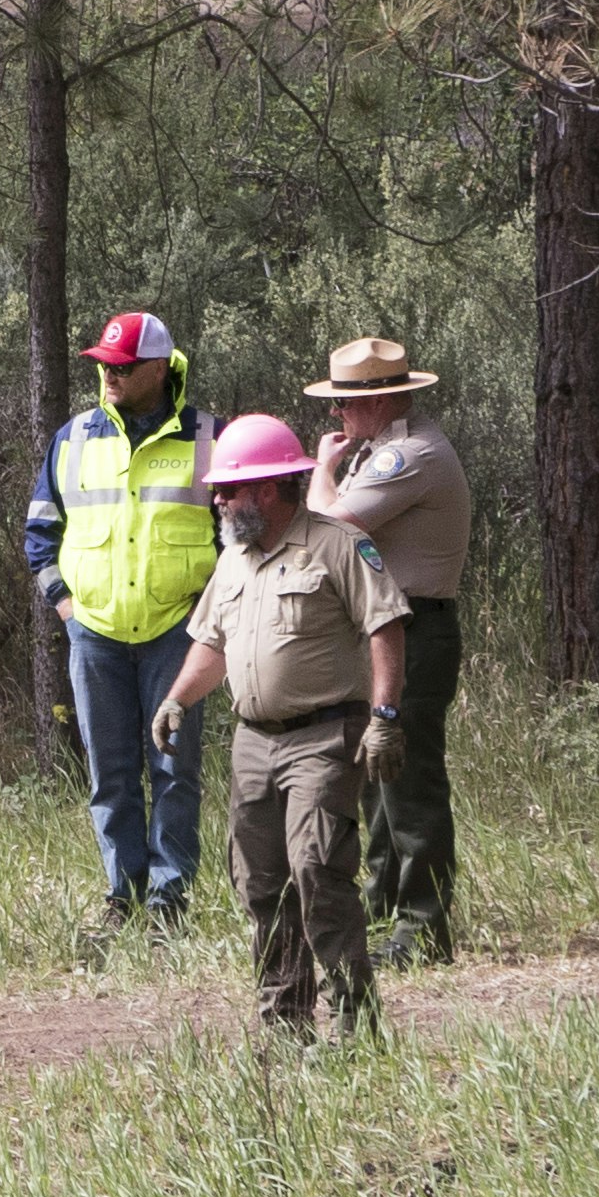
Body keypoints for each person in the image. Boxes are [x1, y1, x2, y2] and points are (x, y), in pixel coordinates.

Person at [148, 415, 410, 1034]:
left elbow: (386, 627)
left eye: (228, 490)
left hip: (325, 735)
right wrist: (177, 700)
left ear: (266, 489)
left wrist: (385, 717)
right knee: (261, 883)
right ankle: (283, 1021)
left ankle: (354, 1018)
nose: (217, 499)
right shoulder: (235, 559)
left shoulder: (339, 545)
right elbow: (212, 643)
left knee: (317, 868)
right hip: (253, 743)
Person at [22, 312, 216, 944]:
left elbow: (240, 541)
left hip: (177, 636)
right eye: (103, 364)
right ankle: (122, 894)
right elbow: (39, 534)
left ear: (159, 369)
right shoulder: (73, 438)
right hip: (95, 636)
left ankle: (170, 899)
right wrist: (67, 611)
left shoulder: (210, 439)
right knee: (109, 773)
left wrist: (208, 620)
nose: (108, 375)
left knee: (173, 769)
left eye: (123, 367)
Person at [304, 336, 473, 966]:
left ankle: (423, 929)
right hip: (391, 630)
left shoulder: (410, 456)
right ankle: (383, 907)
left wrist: (321, 471)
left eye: (345, 402)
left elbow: (329, 529)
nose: (336, 415)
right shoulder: (382, 451)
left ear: (381, 399)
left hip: (416, 632)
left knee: (410, 784)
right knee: (378, 779)